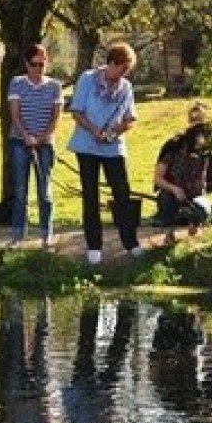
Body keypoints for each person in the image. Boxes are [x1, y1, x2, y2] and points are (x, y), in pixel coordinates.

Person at [67, 42, 141, 265]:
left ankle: (131, 242)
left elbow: (130, 119)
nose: (124, 73)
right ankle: (94, 245)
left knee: (122, 194)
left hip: (113, 148)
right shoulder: (87, 79)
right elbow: (76, 112)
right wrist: (94, 131)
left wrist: (115, 131)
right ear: (111, 63)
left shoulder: (126, 87)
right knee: (91, 195)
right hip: (87, 146)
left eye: (127, 69)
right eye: (122, 68)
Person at [6, 43, 64, 247]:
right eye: (34, 64)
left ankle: (46, 233)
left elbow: (56, 117)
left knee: (45, 190)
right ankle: (17, 235)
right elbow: (14, 114)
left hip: (45, 142)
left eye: (42, 64)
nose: (38, 69)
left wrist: (41, 138)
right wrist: (26, 136)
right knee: (20, 191)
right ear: (26, 64)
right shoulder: (17, 83)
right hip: (20, 141)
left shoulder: (54, 86)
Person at [152, 102, 212, 241]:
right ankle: (168, 232)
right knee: (166, 199)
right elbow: (158, 178)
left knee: (203, 210)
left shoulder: (208, 147)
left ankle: (194, 229)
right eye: (194, 120)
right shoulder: (174, 145)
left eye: (200, 121)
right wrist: (174, 189)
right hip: (173, 193)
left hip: (196, 195)